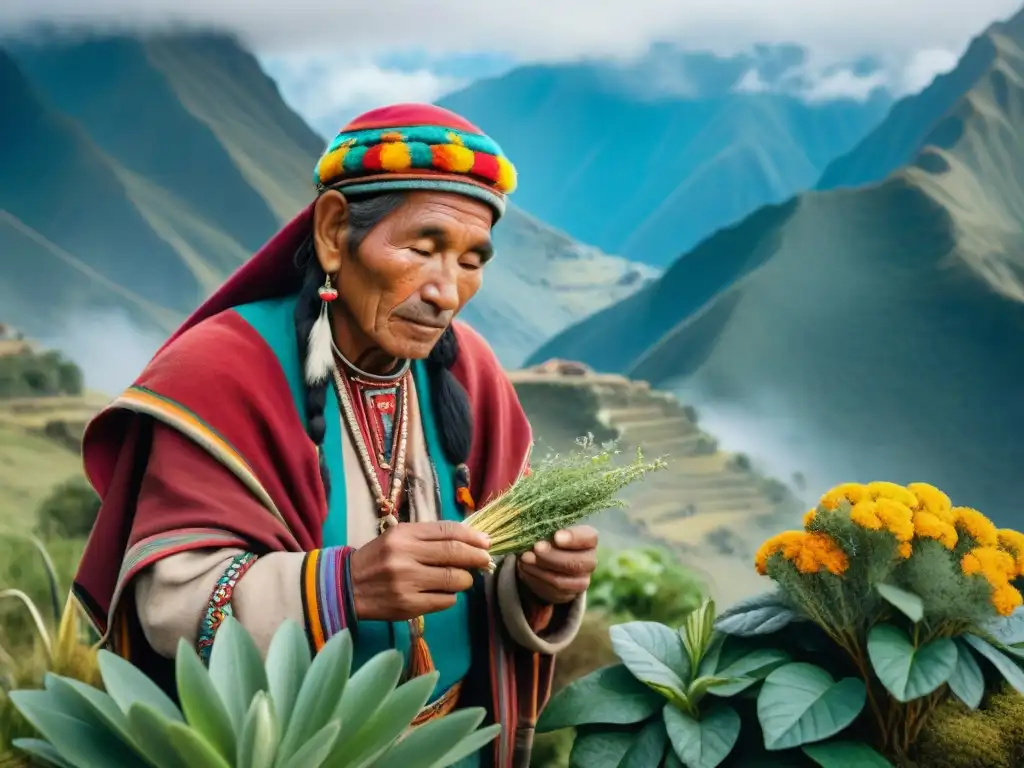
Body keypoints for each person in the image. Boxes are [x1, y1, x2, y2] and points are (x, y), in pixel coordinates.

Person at [72, 104, 598, 767]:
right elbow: (170, 606)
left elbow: (487, 578)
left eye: (471, 259)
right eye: (423, 247)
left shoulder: (472, 372)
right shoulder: (225, 371)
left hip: (456, 747)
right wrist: (343, 588)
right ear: (333, 232)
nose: (447, 292)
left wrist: (538, 582)